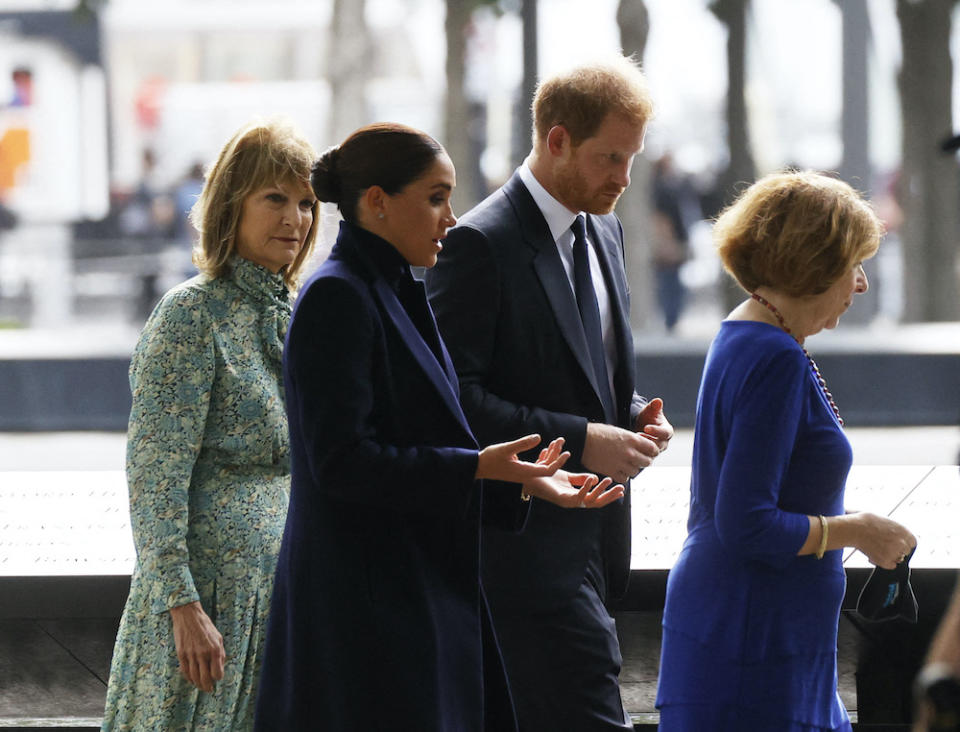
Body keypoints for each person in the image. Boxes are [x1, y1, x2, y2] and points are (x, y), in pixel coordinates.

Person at [253, 122, 624, 732]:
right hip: (367, 609)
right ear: (377, 202)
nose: (451, 217)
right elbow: (342, 462)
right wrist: (482, 468)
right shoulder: (338, 296)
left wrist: (521, 482)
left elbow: (421, 440)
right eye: (434, 198)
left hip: (410, 592)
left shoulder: (395, 285)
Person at [425, 56, 673, 731]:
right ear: (556, 139)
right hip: (518, 559)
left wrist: (629, 418)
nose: (624, 178)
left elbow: (579, 373)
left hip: (593, 549)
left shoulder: (606, 232)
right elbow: (450, 405)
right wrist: (588, 438)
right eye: (610, 158)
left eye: (632, 158)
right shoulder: (478, 243)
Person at [655, 171, 917, 731]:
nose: (862, 285)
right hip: (753, 639)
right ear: (814, 265)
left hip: (760, 631)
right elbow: (746, 524)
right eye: (854, 266)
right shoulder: (773, 356)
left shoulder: (746, 335)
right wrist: (860, 530)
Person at [101, 119, 319, 731]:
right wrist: (182, 605)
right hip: (204, 612)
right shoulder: (190, 315)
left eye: (305, 202)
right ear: (230, 205)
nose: (295, 219)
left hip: (279, 600)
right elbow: (153, 476)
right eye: (274, 198)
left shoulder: (296, 313)